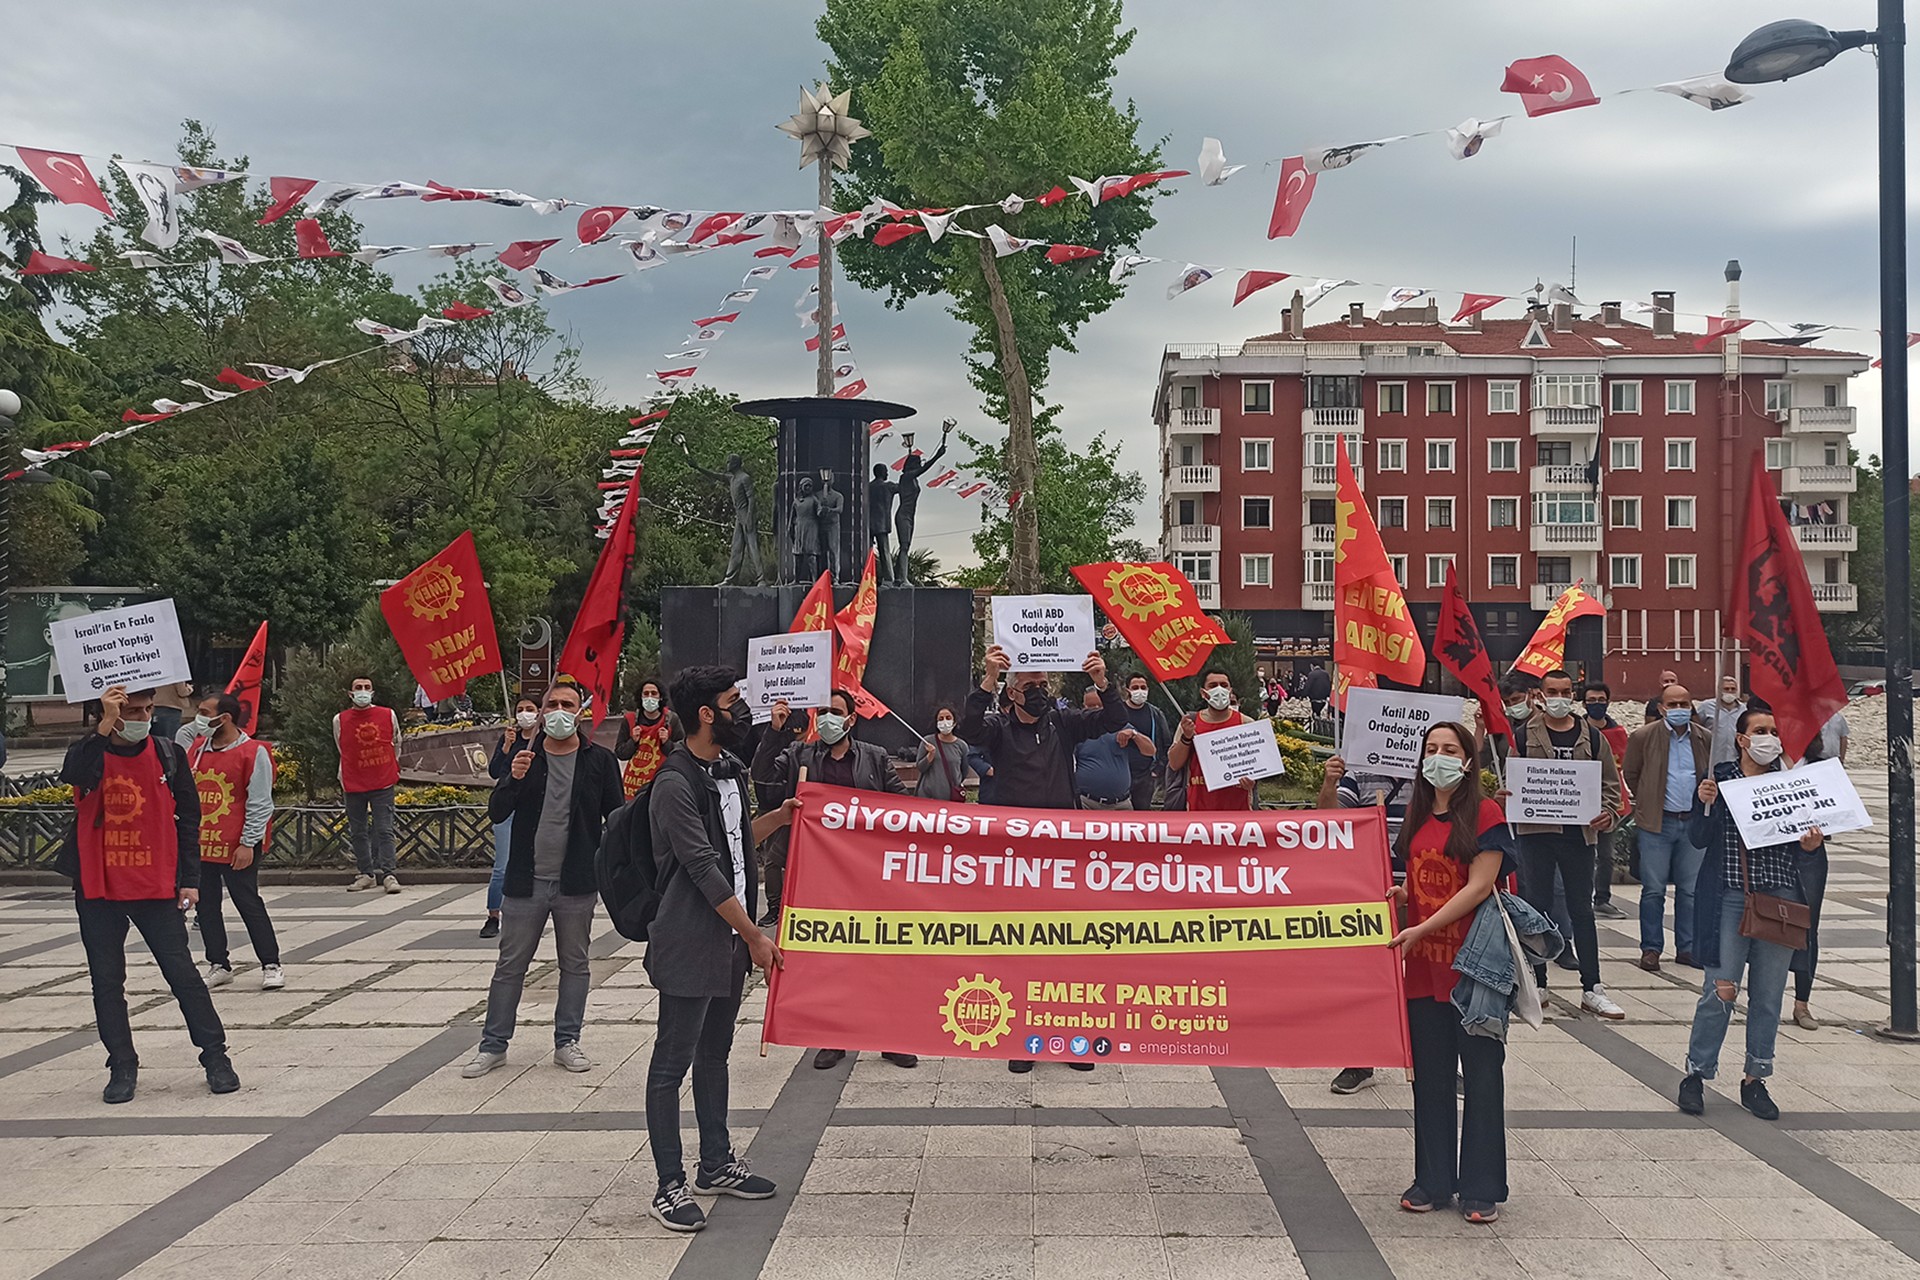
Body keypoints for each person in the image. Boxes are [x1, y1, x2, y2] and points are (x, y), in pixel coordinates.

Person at [644, 665, 795, 1232]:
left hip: (730, 941)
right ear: (706, 714)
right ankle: (668, 1185)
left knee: (713, 1055)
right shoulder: (674, 783)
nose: (745, 711)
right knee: (671, 1064)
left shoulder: (727, 771)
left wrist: (777, 819)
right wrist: (756, 934)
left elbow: (732, 844)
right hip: (690, 940)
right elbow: (703, 868)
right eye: (735, 703)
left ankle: (715, 1163)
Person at [59, 685, 239, 1104]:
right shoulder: (89, 751)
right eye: (131, 711)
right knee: (107, 981)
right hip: (98, 885)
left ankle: (216, 1057)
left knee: (183, 976)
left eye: (147, 708)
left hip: (156, 883)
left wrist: (190, 879)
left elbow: (190, 818)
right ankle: (122, 1064)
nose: (142, 717)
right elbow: (75, 774)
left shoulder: (167, 754)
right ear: (112, 715)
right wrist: (102, 727)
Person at [959, 644, 1123, 1073]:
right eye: (1030, 685)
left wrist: (1102, 681)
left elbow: (1113, 719)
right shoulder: (998, 728)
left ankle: (1070, 1036)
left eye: (1044, 684)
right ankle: (1024, 1037)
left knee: (1067, 946)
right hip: (1019, 857)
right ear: (1012, 692)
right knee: (1022, 947)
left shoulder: (1062, 723)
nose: (1039, 691)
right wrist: (987, 679)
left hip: (1063, 853)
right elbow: (969, 731)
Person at [1386, 721, 1517, 1224]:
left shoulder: (1485, 812)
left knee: (1483, 1076)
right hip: (1423, 971)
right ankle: (1433, 1180)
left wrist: (1422, 928)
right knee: (1431, 1079)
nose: (1438, 757)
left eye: (1449, 749)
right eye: (1431, 749)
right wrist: (1404, 901)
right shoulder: (1417, 813)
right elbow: (1418, 880)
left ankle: (1482, 1186)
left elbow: (1480, 886)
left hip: (1474, 969)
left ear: (1467, 760)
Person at [463, 679, 623, 1079]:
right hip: (525, 882)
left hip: (576, 883)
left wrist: (612, 868)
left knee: (575, 964)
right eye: (551, 703)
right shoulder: (526, 756)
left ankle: (567, 1041)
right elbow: (497, 813)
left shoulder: (598, 761)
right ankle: (493, 1045)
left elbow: (616, 819)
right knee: (510, 966)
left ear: (579, 711)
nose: (558, 711)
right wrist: (513, 779)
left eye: (567, 704)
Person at [753, 686, 917, 1071]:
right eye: (822, 710)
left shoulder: (874, 758)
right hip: (819, 874)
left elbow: (902, 806)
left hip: (869, 873)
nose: (827, 717)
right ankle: (833, 1036)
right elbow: (761, 777)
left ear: (850, 719)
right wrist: (775, 731)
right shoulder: (800, 755)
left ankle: (887, 1036)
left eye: (835, 711)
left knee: (880, 955)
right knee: (831, 957)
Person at [1679, 708, 1825, 1121]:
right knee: (1720, 989)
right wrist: (1704, 804)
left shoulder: (1792, 783)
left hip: (1779, 899)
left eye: (1775, 731)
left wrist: (1811, 846)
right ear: (1742, 739)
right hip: (1729, 897)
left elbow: (1806, 845)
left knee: (1768, 993)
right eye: (1760, 731)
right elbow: (1698, 838)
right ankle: (1696, 1073)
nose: (1770, 738)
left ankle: (1756, 1077)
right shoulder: (1720, 779)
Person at [1512, 669, 1626, 1019]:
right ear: (1540, 695)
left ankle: (1592, 987)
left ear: (1572, 694)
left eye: (1565, 691)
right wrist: (1506, 796)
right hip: (1536, 833)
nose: (1558, 698)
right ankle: (1539, 983)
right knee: (1538, 908)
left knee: (1582, 910)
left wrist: (1609, 813)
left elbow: (1611, 784)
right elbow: (1506, 777)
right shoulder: (1522, 735)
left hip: (1580, 835)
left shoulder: (1592, 737)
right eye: (1552, 691)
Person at [1318, 752, 1416, 1095]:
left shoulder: (1430, 772)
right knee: (1365, 977)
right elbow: (1330, 820)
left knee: (1425, 978)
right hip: (1372, 889)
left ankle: (1435, 1059)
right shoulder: (1357, 773)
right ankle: (1359, 1060)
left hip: (1423, 889)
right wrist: (1330, 783)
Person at [180, 692, 283, 991]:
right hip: (202, 845)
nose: (198, 717)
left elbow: (261, 802)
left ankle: (271, 963)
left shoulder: (252, 752)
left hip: (237, 846)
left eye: (203, 712)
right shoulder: (198, 750)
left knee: (248, 903)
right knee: (207, 907)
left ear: (224, 718)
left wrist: (248, 843)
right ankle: (219, 964)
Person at [1623, 684, 1711, 973]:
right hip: (1657, 824)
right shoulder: (1643, 736)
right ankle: (1651, 948)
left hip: (1693, 824)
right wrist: (1647, 801)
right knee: (1653, 890)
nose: (1679, 709)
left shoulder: (1704, 738)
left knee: (1690, 891)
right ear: (1661, 708)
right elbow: (1631, 773)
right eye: (1672, 704)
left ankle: (1686, 948)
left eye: (1684, 703)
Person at [481, 697, 541, 938]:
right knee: (502, 866)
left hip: (534, 807)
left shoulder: (544, 740)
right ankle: (493, 915)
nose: (525, 714)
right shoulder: (510, 737)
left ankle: (528, 915)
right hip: (508, 807)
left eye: (530, 710)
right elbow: (495, 771)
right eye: (520, 710)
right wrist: (506, 748)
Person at [335, 677, 401, 893]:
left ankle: (389, 874)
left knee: (384, 829)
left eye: (366, 688)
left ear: (372, 692)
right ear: (350, 693)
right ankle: (366, 873)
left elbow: (396, 742)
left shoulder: (387, 714)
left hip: (382, 781)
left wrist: (389, 765)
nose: (362, 691)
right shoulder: (340, 720)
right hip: (353, 782)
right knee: (358, 831)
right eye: (358, 688)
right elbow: (342, 747)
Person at [1789, 734, 1835, 1030]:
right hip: (1767, 853)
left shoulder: (1822, 768)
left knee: (1808, 927)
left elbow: (1834, 811)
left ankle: (1802, 1003)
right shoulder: (1762, 768)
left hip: (1809, 852)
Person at [1167, 670, 1257, 812]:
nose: (1219, 689)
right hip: (1199, 809)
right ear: (1203, 693)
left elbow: (1257, 766)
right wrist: (1186, 737)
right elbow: (1174, 763)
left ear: (1230, 691)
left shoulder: (1245, 723)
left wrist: (1252, 781)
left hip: (1239, 811)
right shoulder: (1190, 723)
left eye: (1224, 685)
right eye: (1213, 685)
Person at [1582, 683, 1629, 921]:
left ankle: (1602, 899)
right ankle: (1582, 898)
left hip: (1609, 803)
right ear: (1583, 704)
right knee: (1583, 855)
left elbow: (1624, 766)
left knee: (1606, 854)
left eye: (1601, 699)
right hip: (1579, 802)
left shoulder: (1619, 733)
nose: (1597, 704)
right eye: (1592, 700)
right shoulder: (1577, 731)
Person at [616, 678, 681, 802]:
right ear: (640, 697)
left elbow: (681, 753)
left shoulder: (672, 719)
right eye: (645, 694)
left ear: (660, 697)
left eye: (653, 693)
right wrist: (633, 741)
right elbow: (620, 754)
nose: (649, 697)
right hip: (632, 787)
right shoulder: (630, 720)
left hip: (660, 784)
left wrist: (666, 743)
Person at [1072, 686, 1136, 810]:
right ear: (1083, 706)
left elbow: (1150, 750)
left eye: (1099, 705)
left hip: (1121, 805)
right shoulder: (1078, 731)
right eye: (1090, 706)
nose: (1095, 709)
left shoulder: (1122, 726)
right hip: (1087, 803)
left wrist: (1134, 735)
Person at [1119, 674, 1170, 812]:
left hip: (1146, 776)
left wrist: (1157, 769)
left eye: (1143, 687)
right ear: (1127, 690)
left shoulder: (1155, 714)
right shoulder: (1118, 712)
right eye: (1135, 687)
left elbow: (1166, 744)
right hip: (1121, 773)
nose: (1139, 691)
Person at [916, 705, 968, 802]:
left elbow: (964, 771)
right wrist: (930, 756)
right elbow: (920, 767)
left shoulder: (962, 746)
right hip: (928, 797)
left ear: (954, 722)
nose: (944, 722)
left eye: (948, 718)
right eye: (941, 719)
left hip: (950, 798)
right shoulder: (927, 741)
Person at [1695, 675, 1748, 767]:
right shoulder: (1706, 707)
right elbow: (1697, 727)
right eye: (1726, 689)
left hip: (1735, 760)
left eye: (1733, 689)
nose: (1730, 692)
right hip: (1712, 760)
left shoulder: (1743, 709)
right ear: (1719, 690)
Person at [151, 680, 196, 745]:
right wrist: (189, 688)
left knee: (156, 736)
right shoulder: (176, 673)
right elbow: (182, 692)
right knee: (171, 737)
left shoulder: (156, 672)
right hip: (172, 707)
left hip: (156, 706)